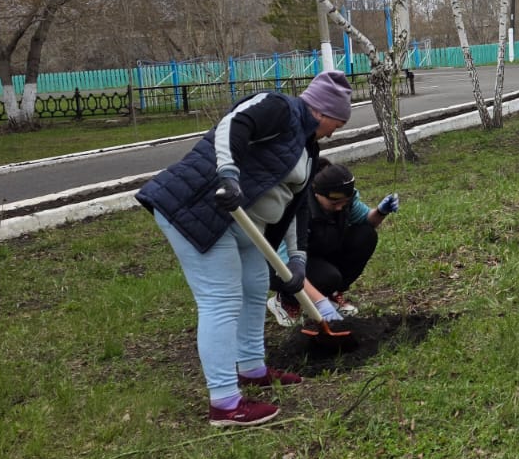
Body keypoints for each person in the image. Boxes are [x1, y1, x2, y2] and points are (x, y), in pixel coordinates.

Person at [136, 70, 355, 427]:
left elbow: (297, 206)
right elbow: (232, 125)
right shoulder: (279, 108)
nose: (335, 131)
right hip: (200, 209)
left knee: (254, 288)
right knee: (221, 300)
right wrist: (228, 175)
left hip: (245, 225)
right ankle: (225, 403)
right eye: (338, 123)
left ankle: (252, 369)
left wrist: (297, 260)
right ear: (322, 112)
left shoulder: (308, 146)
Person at [267, 159, 400, 328]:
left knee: (365, 235)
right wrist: (320, 302)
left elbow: (366, 219)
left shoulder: (344, 200)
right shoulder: (297, 209)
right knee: (328, 277)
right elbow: (286, 268)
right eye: (335, 203)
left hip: (317, 253)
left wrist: (381, 211)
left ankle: (331, 294)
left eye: (344, 202)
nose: (339, 208)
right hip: (282, 265)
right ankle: (286, 300)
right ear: (317, 194)